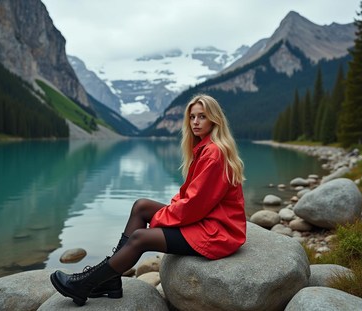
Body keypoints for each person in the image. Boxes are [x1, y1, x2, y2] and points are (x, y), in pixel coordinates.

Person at [50, 94, 247, 306]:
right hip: (207, 220)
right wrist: (168, 211)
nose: (196, 122)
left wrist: (161, 219)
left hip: (217, 231)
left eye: (202, 117)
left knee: (140, 238)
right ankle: (112, 279)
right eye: (192, 117)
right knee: (141, 206)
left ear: (214, 120)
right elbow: (188, 194)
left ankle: (84, 285)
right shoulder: (204, 148)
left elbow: (193, 206)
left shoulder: (213, 153)